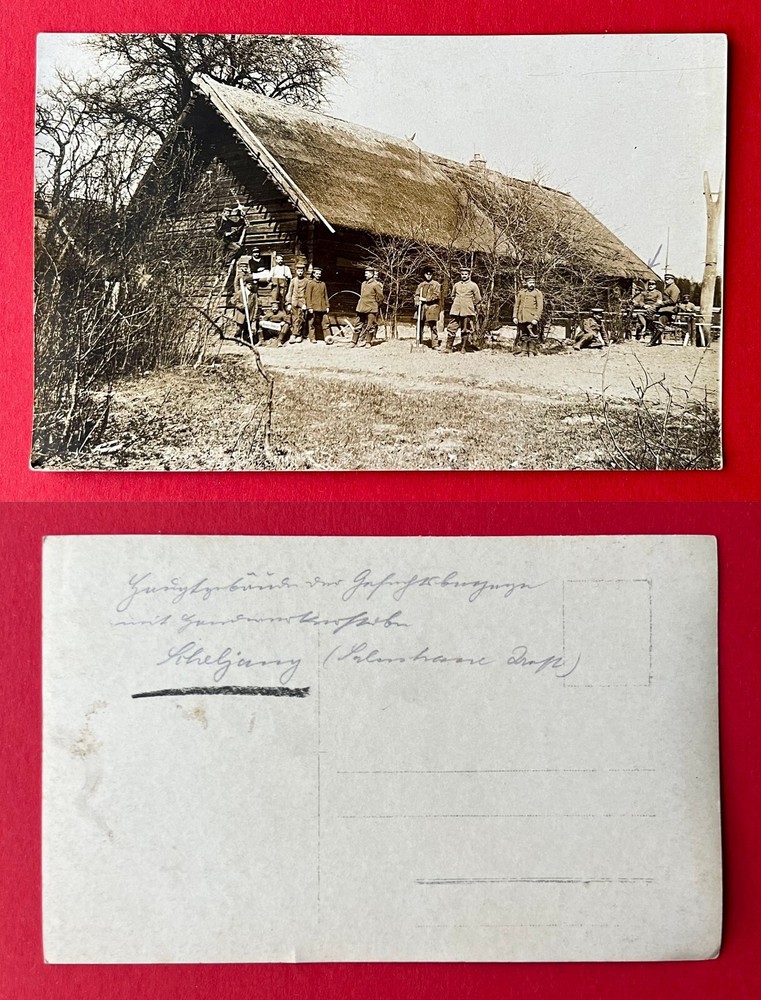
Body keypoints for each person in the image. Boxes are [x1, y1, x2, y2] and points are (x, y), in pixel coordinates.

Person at [443, 266, 481, 353]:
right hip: (456, 310)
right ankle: (448, 347)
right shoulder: (456, 285)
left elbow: (478, 298)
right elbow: (453, 296)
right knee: (452, 327)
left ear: (469, 275)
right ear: (460, 275)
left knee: (465, 329)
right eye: (462, 274)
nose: (464, 276)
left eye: (466, 274)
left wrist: (470, 303)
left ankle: (463, 347)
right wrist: (457, 302)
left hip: (467, 311)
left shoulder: (473, 285)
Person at [215, 205, 246, 304]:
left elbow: (237, 224)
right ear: (223, 212)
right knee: (219, 258)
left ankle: (227, 260)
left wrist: (242, 217)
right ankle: (221, 267)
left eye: (229, 212)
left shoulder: (228, 221)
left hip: (228, 242)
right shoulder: (218, 220)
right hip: (221, 241)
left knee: (237, 248)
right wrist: (225, 233)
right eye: (227, 212)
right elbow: (217, 231)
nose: (228, 214)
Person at [352, 267, 384, 348]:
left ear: (372, 274)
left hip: (371, 308)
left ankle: (368, 342)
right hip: (361, 308)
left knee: (370, 325)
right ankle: (353, 341)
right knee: (358, 324)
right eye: (365, 273)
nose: (365, 274)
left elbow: (381, 297)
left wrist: (375, 304)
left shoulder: (376, 285)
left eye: (367, 273)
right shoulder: (363, 284)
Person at [513, 274, 544, 356]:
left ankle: (531, 351)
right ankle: (523, 351)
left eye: (533, 282)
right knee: (523, 334)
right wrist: (515, 316)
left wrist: (536, 318)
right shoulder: (521, 292)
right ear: (526, 283)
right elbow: (517, 305)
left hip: (532, 318)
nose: (532, 284)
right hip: (522, 317)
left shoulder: (537, 293)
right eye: (530, 282)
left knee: (532, 334)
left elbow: (540, 307)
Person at [414, 266, 442, 349]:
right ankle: (419, 341)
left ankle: (435, 344)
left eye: (430, 274)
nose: (428, 276)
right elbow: (416, 295)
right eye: (427, 274)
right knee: (419, 324)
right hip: (422, 307)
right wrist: (417, 300)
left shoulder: (436, 284)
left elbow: (436, 295)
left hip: (432, 307)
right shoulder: (421, 285)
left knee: (433, 326)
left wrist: (426, 299)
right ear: (424, 275)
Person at [650, 272, 680, 345]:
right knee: (649, 313)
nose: (666, 281)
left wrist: (661, 303)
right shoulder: (668, 287)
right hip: (665, 308)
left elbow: (673, 300)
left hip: (670, 309)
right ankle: (652, 328)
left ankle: (652, 342)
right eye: (665, 279)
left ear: (672, 280)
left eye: (668, 279)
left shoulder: (674, 288)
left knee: (661, 323)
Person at [305, 266, 332, 344]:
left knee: (325, 322)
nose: (318, 275)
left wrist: (327, 306)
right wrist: (309, 307)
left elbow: (326, 295)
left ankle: (327, 338)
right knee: (311, 323)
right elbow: (308, 296)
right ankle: (312, 338)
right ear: (313, 274)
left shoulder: (323, 284)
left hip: (322, 307)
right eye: (317, 274)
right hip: (313, 307)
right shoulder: (310, 283)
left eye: (319, 274)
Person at [286, 263, 309, 342]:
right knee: (294, 318)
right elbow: (290, 292)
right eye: (298, 271)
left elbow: (307, 293)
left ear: (304, 271)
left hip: (302, 301)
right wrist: (288, 303)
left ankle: (299, 335)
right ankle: (293, 335)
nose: (300, 272)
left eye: (301, 271)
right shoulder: (293, 280)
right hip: (294, 301)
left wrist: (305, 304)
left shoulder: (306, 281)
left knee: (301, 318)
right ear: (296, 271)